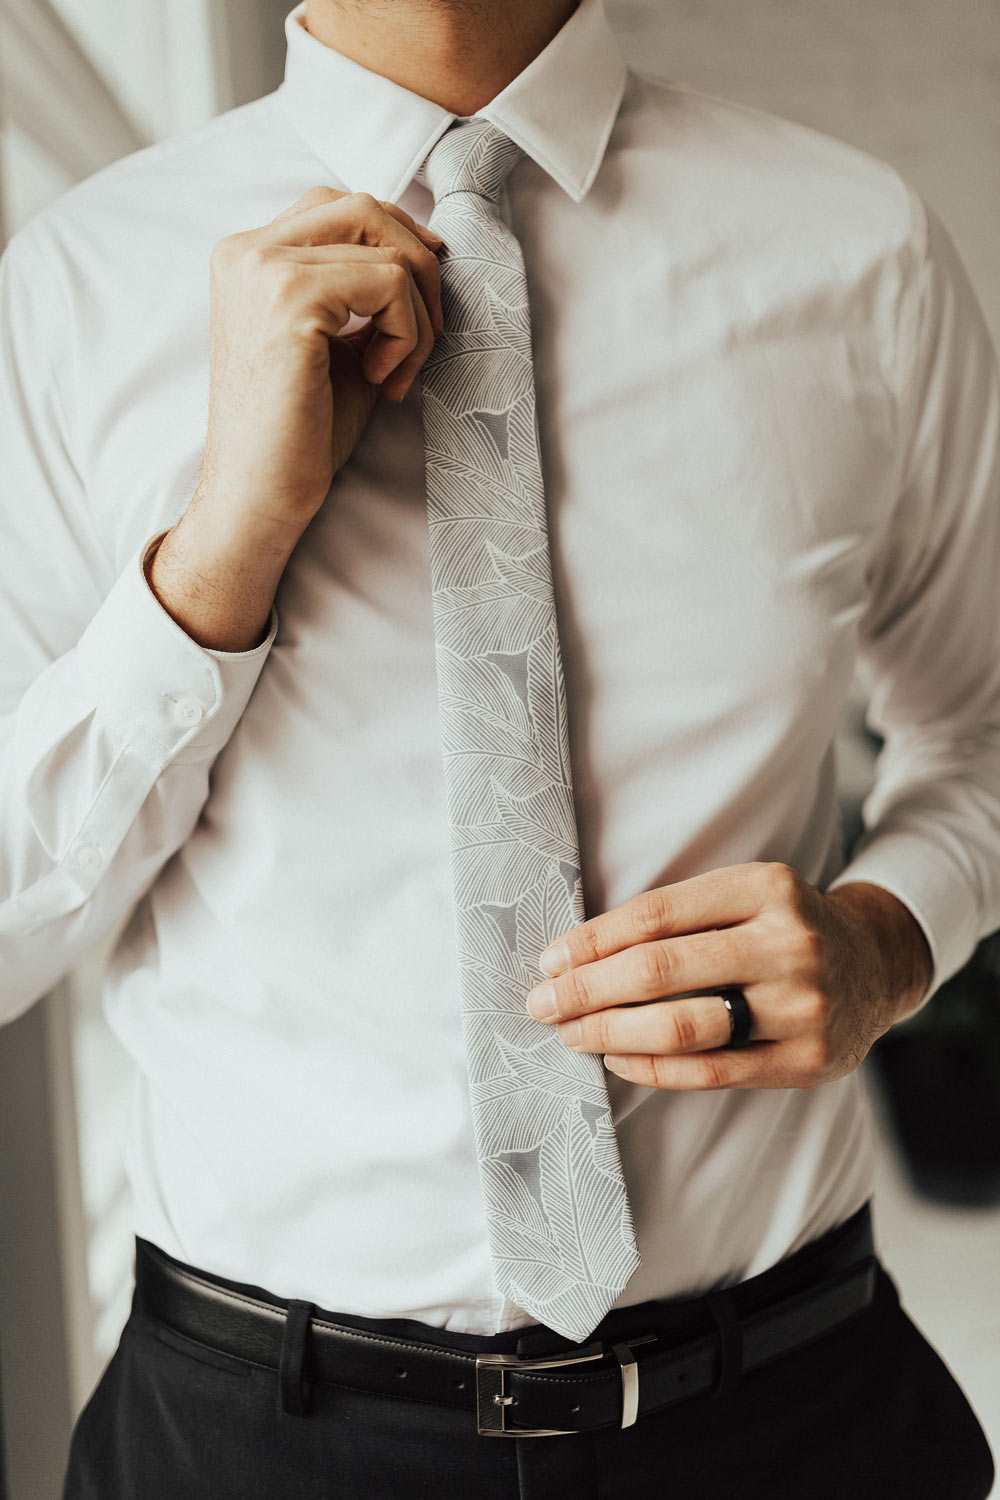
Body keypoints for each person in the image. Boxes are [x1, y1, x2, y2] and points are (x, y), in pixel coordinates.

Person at [1, 0, 997, 1495]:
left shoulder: (862, 252)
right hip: (249, 1443)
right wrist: (217, 560)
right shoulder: (74, 286)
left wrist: (887, 939)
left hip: (796, 1416)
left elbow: (983, 731)